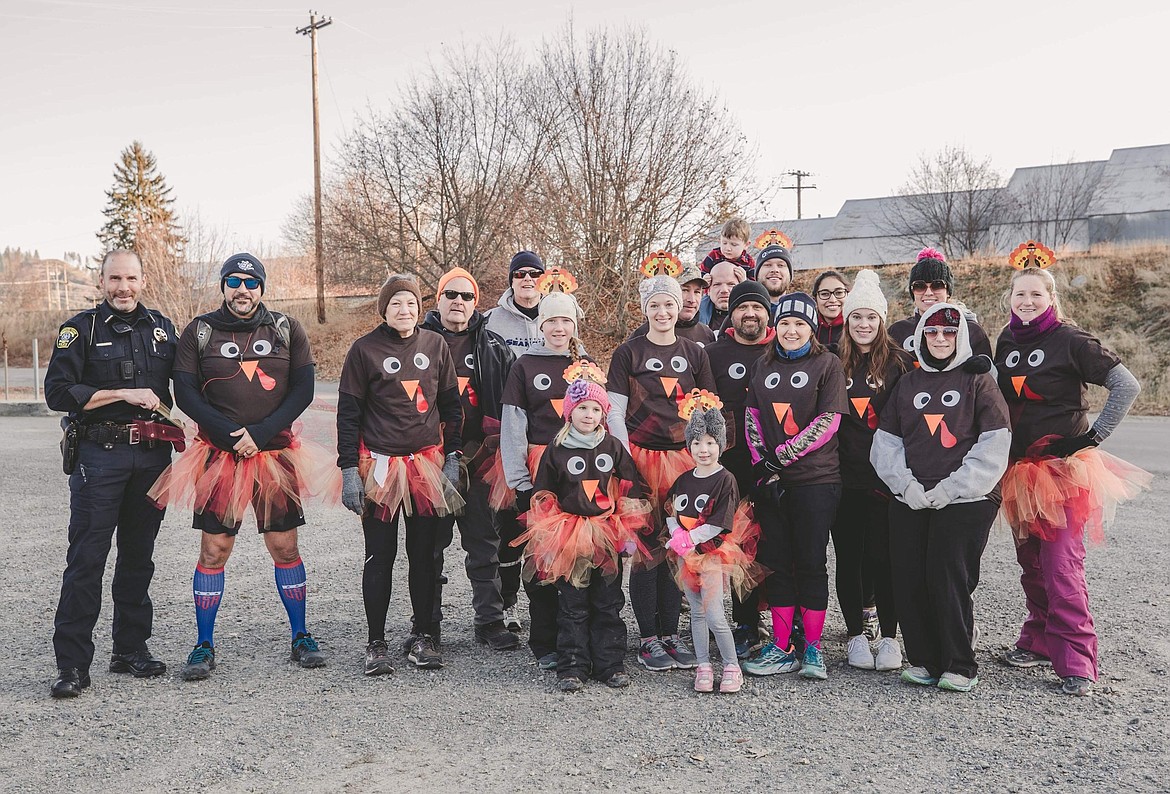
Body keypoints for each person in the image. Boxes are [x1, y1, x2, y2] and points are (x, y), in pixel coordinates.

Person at [149, 252, 336, 681]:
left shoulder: (287, 329)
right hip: (219, 458)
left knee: (284, 547)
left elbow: (303, 390)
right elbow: (186, 393)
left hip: (274, 454)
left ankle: (301, 635)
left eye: (251, 283)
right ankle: (203, 644)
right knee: (214, 550)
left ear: (262, 288)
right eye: (234, 282)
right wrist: (234, 435)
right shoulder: (200, 330)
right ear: (223, 285)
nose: (243, 290)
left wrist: (263, 431)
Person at [994, 266, 1149, 696]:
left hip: (1062, 471)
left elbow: (1126, 385)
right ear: (1010, 299)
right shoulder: (1007, 341)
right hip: (1020, 470)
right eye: (1020, 295)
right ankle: (1039, 639)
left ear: (1051, 297)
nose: (1027, 302)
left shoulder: (1071, 340)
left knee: (1062, 564)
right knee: (1032, 563)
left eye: (1035, 295)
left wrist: (1095, 435)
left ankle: (1077, 660)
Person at [44, 249, 178, 698]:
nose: (124, 287)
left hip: (153, 455)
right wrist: (121, 392)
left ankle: (130, 648)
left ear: (143, 280)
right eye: (115, 278)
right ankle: (73, 665)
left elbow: (195, 383)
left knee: (139, 555)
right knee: (87, 559)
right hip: (99, 456)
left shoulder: (162, 329)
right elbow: (58, 393)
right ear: (101, 281)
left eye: (132, 278)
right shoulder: (78, 330)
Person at [871, 303, 1010, 692]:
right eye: (932, 333)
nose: (940, 339)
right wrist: (906, 486)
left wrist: (953, 487)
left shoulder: (978, 381)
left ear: (960, 336)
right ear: (921, 338)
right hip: (913, 494)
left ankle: (959, 662)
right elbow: (886, 443)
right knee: (909, 575)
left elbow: (995, 444)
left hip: (967, 497)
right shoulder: (909, 384)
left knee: (946, 575)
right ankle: (924, 659)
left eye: (948, 333)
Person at [338, 274, 464, 674]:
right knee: (380, 554)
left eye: (410, 303)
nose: (404, 310)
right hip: (380, 466)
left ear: (419, 307)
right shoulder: (364, 350)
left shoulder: (435, 344)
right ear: (384, 309)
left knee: (425, 554)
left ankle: (423, 634)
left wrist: (455, 457)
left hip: (424, 463)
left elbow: (451, 406)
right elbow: (349, 414)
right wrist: (347, 469)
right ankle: (376, 642)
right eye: (396, 304)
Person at [607, 275, 716, 671]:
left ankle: (671, 633)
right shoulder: (628, 352)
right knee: (646, 552)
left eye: (669, 304)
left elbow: (708, 410)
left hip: (684, 461)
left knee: (678, 549)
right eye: (655, 305)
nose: (663, 311)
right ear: (645, 309)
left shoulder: (695, 353)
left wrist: (704, 458)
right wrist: (626, 461)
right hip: (641, 458)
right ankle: (648, 639)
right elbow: (614, 411)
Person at [513, 378, 651, 691]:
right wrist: (547, 536)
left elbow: (631, 485)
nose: (588, 415)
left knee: (607, 600)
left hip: (605, 531)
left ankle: (609, 664)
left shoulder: (612, 446)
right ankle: (572, 666)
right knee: (572, 601)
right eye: (582, 408)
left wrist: (629, 528)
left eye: (595, 409)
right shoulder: (557, 448)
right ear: (569, 412)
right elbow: (544, 493)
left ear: (603, 413)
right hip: (570, 532)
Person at [741, 292, 847, 680]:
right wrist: (762, 465)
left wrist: (781, 456)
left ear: (812, 327)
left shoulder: (827, 364)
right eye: (785, 323)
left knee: (810, 562)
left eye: (799, 324)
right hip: (771, 481)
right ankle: (782, 646)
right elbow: (751, 418)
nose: (791, 330)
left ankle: (813, 648)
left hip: (815, 480)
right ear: (775, 326)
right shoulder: (762, 364)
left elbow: (828, 422)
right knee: (778, 563)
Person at [420, 267, 520, 651]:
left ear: (476, 303)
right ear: (439, 299)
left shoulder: (494, 347)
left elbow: (512, 406)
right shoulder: (419, 343)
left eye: (466, 297)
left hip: (480, 459)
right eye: (451, 295)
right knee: (430, 545)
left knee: (483, 542)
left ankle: (490, 620)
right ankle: (427, 622)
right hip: (429, 460)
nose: (458, 303)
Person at [498, 291, 592, 669]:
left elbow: (596, 419)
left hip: (579, 467)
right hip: (539, 465)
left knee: (575, 552)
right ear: (541, 324)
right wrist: (521, 481)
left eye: (565, 321)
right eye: (551, 320)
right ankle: (544, 640)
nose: (558, 328)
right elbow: (514, 424)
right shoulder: (525, 365)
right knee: (542, 555)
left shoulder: (584, 365)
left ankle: (576, 636)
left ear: (574, 325)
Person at [832, 270, 913, 671]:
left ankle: (890, 638)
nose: (864, 325)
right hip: (845, 476)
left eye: (871, 317)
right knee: (848, 557)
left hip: (886, 478)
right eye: (856, 317)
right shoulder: (833, 361)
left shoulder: (899, 363)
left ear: (882, 320)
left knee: (885, 558)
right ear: (846, 321)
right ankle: (854, 636)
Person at [665, 405, 762, 693]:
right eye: (696, 442)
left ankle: (731, 665)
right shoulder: (684, 479)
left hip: (711, 554)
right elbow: (671, 510)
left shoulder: (725, 479)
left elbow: (721, 523)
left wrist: (691, 539)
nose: (703, 449)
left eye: (709, 442)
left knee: (714, 613)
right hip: (687, 555)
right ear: (689, 446)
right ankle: (704, 664)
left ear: (720, 444)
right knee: (696, 613)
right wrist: (677, 537)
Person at [704, 280, 774, 657]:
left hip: (777, 463)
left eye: (757, 307)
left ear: (768, 312)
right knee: (737, 545)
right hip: (730, 466)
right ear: (731, 313)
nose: (750, 313)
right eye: (743, 307)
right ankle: (745, 621)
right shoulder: (713, 354)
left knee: (777, 543)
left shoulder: (782, 351)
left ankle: (784, 620)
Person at [888, 248, 993, 359]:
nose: (928, 293)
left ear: (948, 292)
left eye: (937, 285)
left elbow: (987, 374)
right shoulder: (898, 331)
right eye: (919, 286)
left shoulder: (971, 331)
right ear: (912, 292)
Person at [629, 264, 716, 347]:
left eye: (697, 292)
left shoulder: (706, 334)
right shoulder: (641, 336)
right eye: (685, 290)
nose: (692, 300)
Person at [485, 251, 546, 356]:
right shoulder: (489, 321)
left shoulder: (558, 318)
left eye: (534, 273)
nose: (527, 278)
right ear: (512, 282)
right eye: (519, 274)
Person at [697, 260, 745, 333]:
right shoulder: (693, 318)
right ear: (708, 290)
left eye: (731, 284)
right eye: (717, 284)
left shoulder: (752, 318)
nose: (724, 290)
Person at [812, 270, 850, 352]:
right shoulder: (808, 329)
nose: (833, 300)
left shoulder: (856, 328)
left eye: (839, 293)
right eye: (825, 294)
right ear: (815, 298)